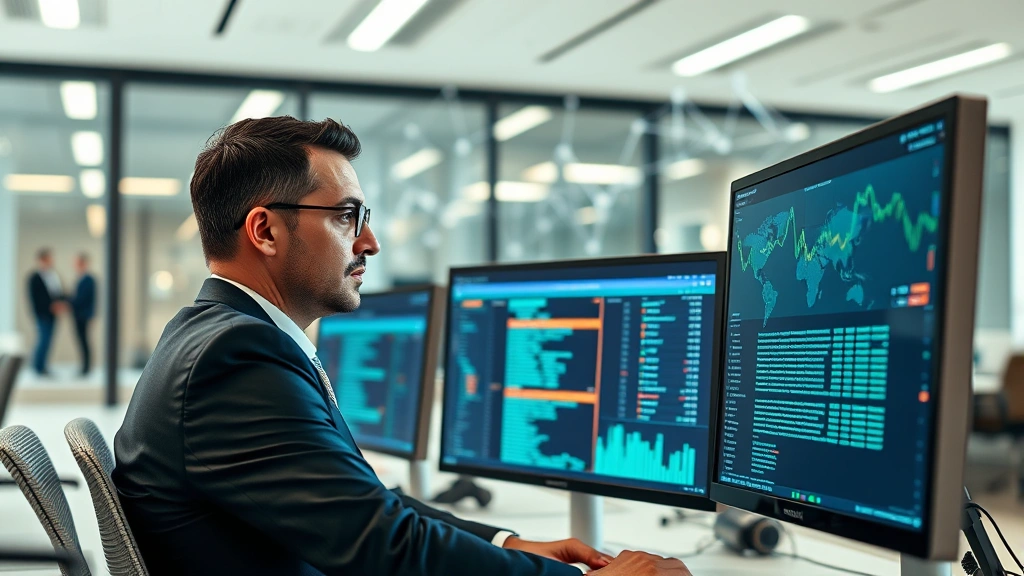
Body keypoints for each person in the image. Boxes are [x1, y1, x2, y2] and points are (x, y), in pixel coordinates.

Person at [112, 117, 691, 576]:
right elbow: (383, 544)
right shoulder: (236, 357)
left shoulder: (217, 335)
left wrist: (508, 543)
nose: (370, 241)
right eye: (347, 216)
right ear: (265, 231)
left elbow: (365, 507)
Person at [26, 248, 63, 376]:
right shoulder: (34, 277)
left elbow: (58, 294)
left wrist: (61, 304)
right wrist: (49, 307)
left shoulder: (53, 275)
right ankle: (38, 367)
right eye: (48, 259)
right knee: (43, 340)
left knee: (48, 341)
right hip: (43, 314)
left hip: (53, 315)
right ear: (41, 260)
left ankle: (42, 366)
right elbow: (35, 299)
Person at [69, 253, 97, 376]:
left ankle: (86, 367)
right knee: (82, 341)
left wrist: (67, 303)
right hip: (78, 315)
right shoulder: (81, 279)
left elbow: (82, 299)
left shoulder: (88, 279)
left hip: (83, 315)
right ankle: (84, 366)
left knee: (84, 341)